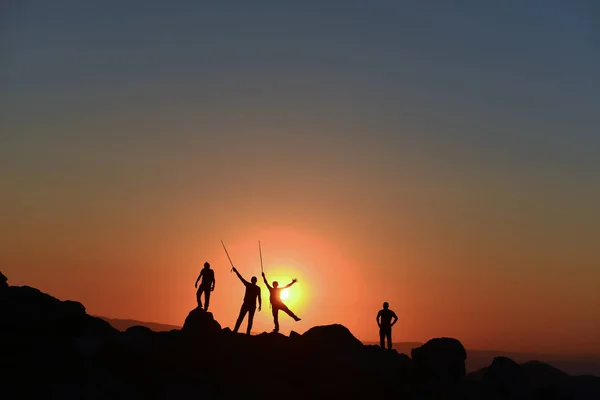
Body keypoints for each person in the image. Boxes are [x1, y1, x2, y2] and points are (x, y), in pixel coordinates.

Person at [232, 267, 262, 335]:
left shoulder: (249, 285)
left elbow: (241, 278)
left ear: (252, 280)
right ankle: (246, 333)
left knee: (241, 318)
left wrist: (236, 271)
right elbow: (259, 297)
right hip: (251, 305)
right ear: (255, 281)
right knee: (249, 320)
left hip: (247, 304)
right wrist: (260, 305)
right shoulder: (257, 288)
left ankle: (236, 330)